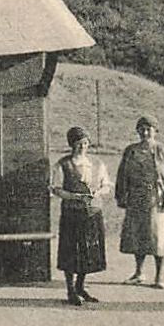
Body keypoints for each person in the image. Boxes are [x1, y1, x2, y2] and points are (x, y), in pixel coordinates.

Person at [116, 115, 164, 288]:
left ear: (155, 131)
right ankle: (138, 273)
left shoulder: (163, 151)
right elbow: (122, 175)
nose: (145, 133)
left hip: (157, 200)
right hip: (136, 200)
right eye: (142, 129)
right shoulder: (131, 151)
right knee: (138, 236)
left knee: (158, 238)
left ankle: (159, 276)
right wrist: (121, 196)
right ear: (137, 131)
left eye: (148, 129)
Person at [52, 126, 111, 305]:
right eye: (78, 144)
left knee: (87, 251)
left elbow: (106, 185)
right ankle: (70, 289)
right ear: (71, 145)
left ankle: (80, 285)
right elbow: (56, 188)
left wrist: (98, 192)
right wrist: (72, 196)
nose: (82, 147)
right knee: (71, 251)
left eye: (85, 143)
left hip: (92, 213)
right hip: (72, 213)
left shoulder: (97, 164)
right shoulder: (63, 164)